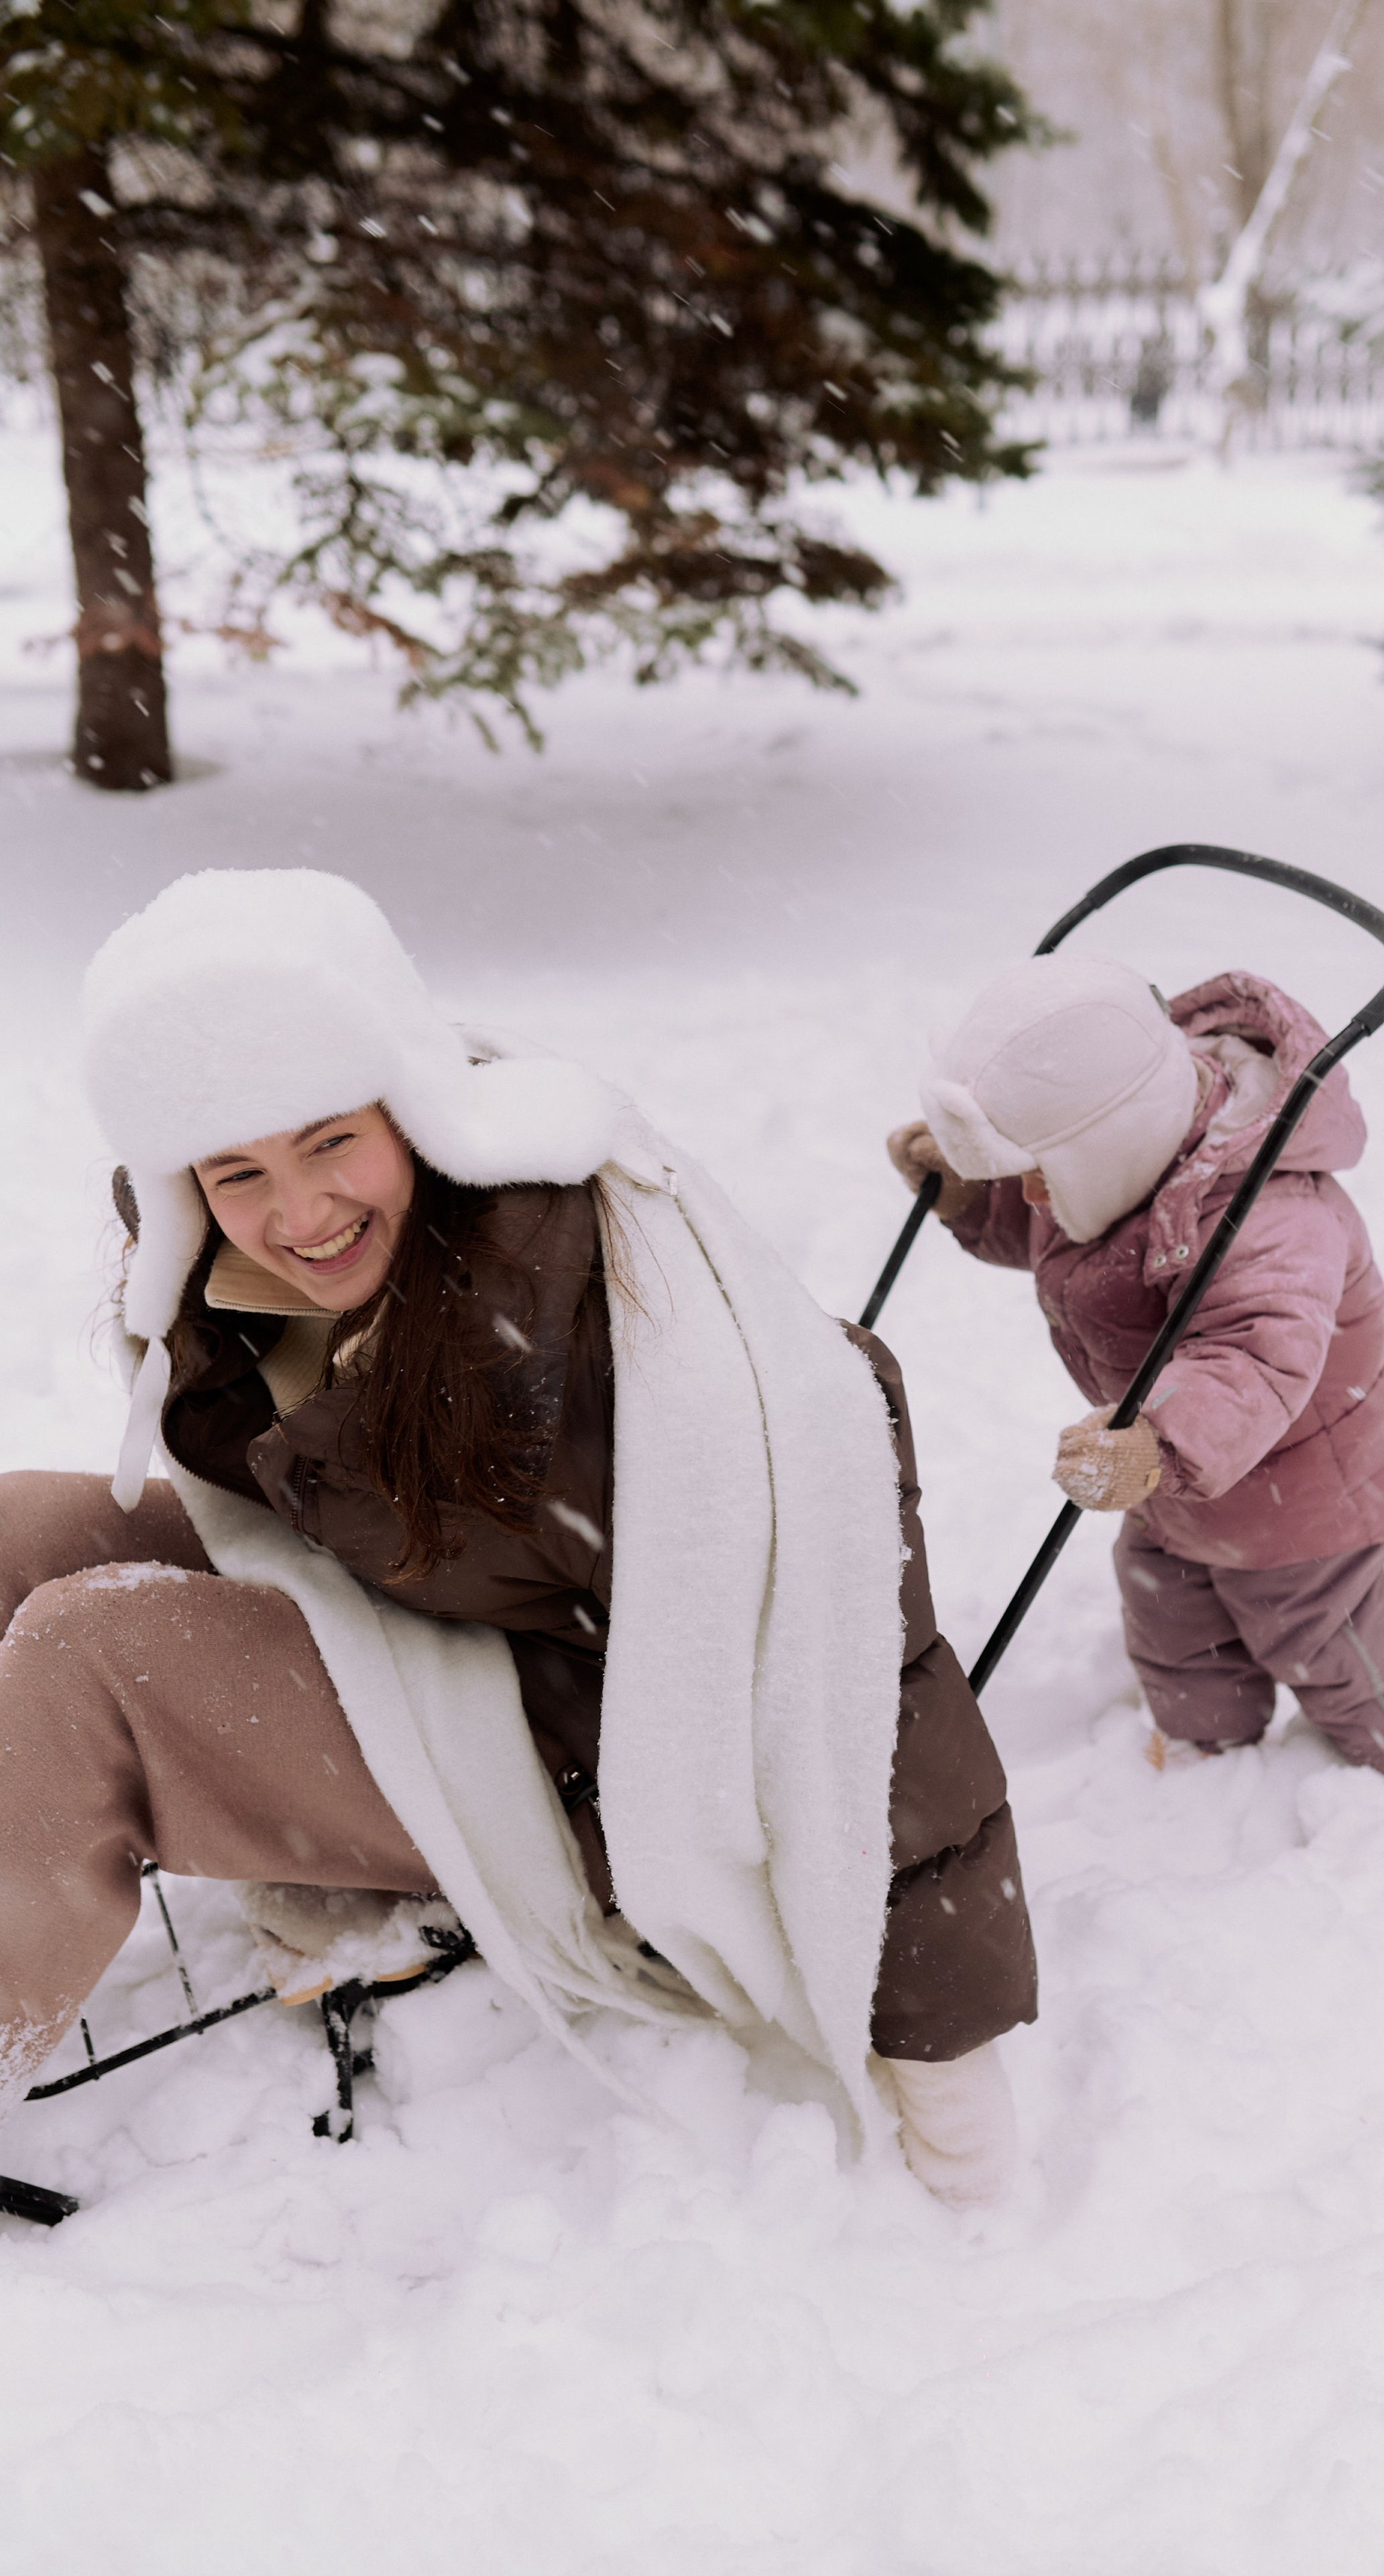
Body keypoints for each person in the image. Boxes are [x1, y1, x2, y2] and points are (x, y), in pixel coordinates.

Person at [0, 868, 1035, 2209]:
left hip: (588, 1781)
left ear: (413, 1109)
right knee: (21, 1526)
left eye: (329, 1142)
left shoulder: (625, 1358)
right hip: (428, 1628)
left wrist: (942, 2047)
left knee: (88, 1663)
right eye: (236, 1170)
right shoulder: (232, 1274)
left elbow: (861, 1687)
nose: (297, 1212)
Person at [887, 953, 1384, 1788]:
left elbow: (1252, 1356)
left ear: (1107, 1144)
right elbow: (1074, 1241)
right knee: (1166, 1597)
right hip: (1182, 1468)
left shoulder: (1273, 1216)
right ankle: (1208, 1747)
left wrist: (1156, 1439)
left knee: (1313, 1626)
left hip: (1302, 1487)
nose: (1033, 1195)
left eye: (1034, 1174)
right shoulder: (1120, 1159)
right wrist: (970, 1201)